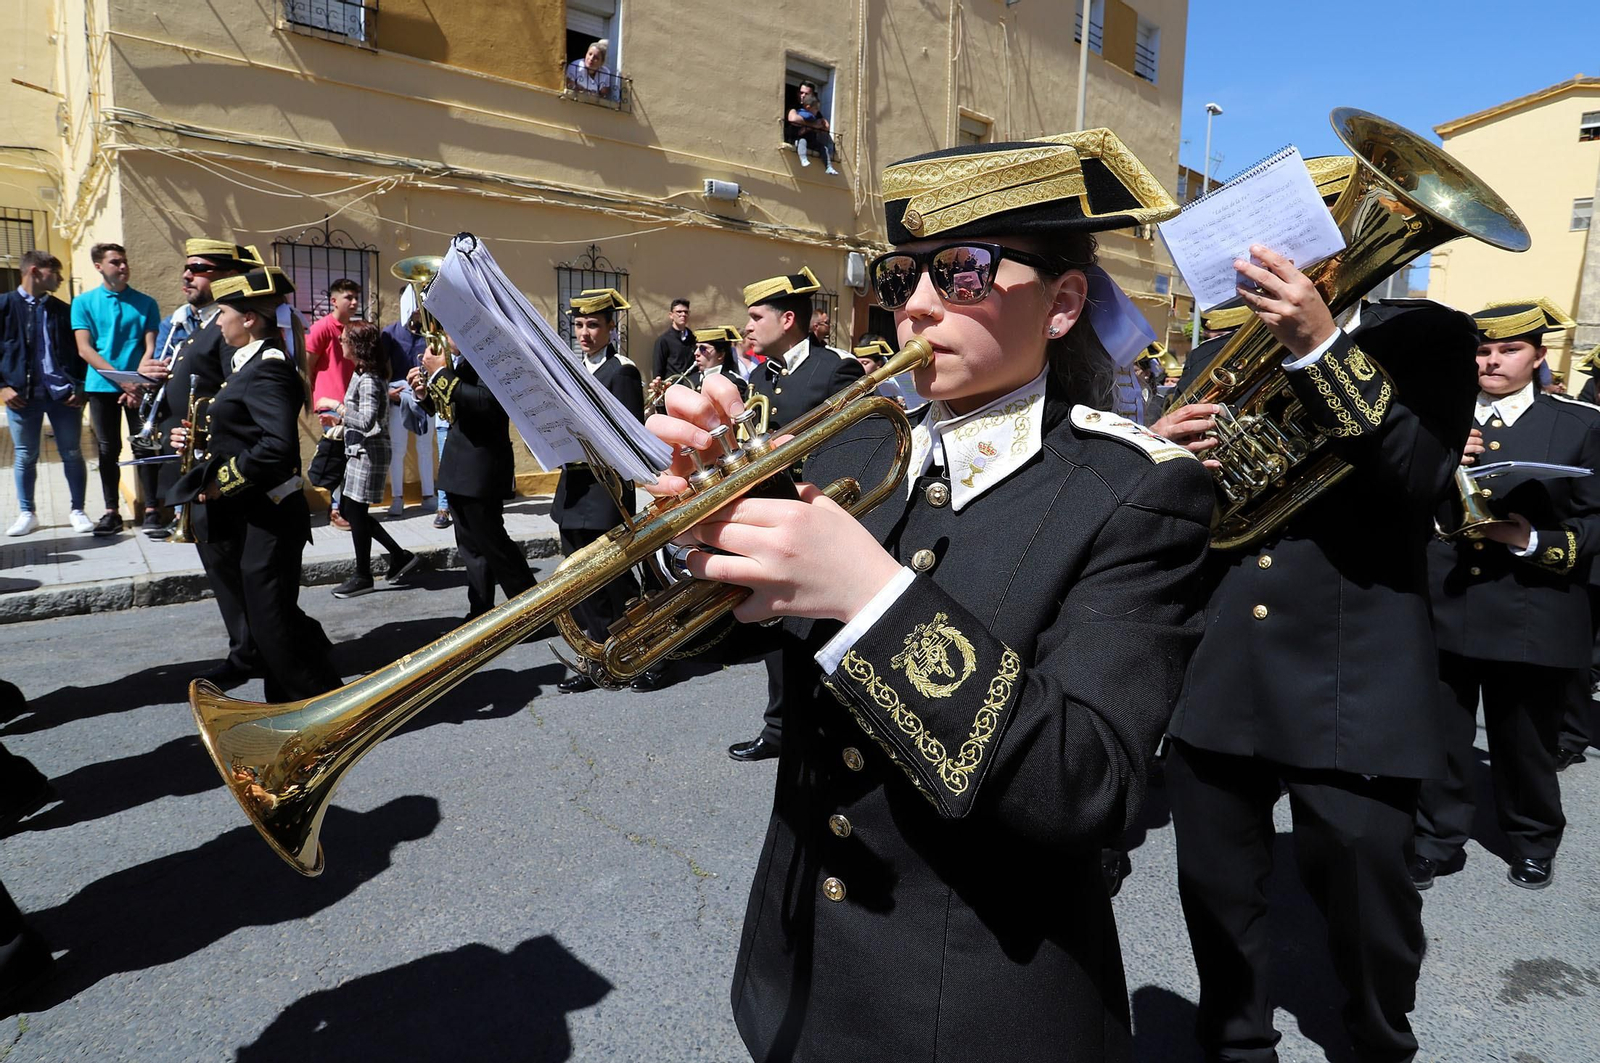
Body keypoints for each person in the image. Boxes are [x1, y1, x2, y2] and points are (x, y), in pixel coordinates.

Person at [647, 132, 1208, 1060]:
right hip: (798, 972)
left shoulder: (1136, 489)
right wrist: (686, 535)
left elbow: (1091, 787)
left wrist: (872, 599)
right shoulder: (858, 442)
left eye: (962, 272)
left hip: (980, 1008)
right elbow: (688, 641)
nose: (912, 305)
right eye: (901, 274)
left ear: (1063, 303)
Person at [1152, 181, 1481, 1060]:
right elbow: (1184, 515)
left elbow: (1418, 479)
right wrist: (1163, 456)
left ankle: (1379, 1038)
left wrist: (1321, 347)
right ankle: (1237, 1043)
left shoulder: (1430, 337)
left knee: (1369, 889)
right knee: (1217, 891)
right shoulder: (1215, 351)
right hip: (1225, 661)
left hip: (1354, 661)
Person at [1413, 298, 1599, 893]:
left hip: (1531, 607)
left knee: (1525, 742)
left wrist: (1533, 540)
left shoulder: (1579, 424)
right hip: (1446, 601)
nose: (1492, 361)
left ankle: (1533, 838)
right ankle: (1435, 839)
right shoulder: (1437, 416)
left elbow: (1595, 519)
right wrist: (1440, 463)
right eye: (1483, 350)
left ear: (1538, 356)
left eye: (1509, 350)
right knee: (1442, 737)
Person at [170, 267, 341, 702]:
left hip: (272, 514)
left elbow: (276, 448)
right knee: (273, 621)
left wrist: (220, 484)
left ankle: (324, 709)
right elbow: (245, 431)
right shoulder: (245, 363)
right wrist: (198, 438)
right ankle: (296, 705)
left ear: (248, 318)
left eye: (223, 313)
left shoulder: (269, 368)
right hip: (255, 513)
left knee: (272, 625)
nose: (217, 322)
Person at [732, 266, 864, 762]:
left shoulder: (835, 369)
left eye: (755, 317)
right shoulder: (759, 376)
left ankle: (827, 729)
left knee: (821, 629)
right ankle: (779, 728)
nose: (747, 327)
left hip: (818, 515)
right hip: (769, 515)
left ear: (788, 319)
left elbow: (859, 443)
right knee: (776, 626)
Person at [135, 239, 265, 684]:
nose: (187, 275)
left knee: (228, 566)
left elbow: (239, 397)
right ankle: (265, 643)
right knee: (222, 566)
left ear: (228, 276)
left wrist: (200, 433)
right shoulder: (196, 327)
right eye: (186, 267)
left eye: (199, 268)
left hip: (217, 468)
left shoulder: (227, 328)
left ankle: (250, 652)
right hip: (194, 464)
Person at [551, 288, 649, 694]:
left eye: (593, 324)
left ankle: (639, 655)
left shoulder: (620, 371)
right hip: (573, 490)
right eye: (579, 325)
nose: (584, 333)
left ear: (611, 327)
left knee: (615, 582)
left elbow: (628, 435)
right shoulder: (571, 369)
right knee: (580, 584)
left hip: (605, 492)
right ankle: (597, 659)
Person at [412, 335, 536, 620]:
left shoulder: (492, 358)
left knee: (495, 546)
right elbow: (452, 408)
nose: (445, 337)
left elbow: (486, 404)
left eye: (450, 330)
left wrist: (440, 374)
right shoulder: (463, 362)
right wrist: (424, 392)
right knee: (471, 549)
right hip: (459, 466)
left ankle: (534, 613)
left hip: (482, 468)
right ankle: (480, 613)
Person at [71, 242, 162, 535]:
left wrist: (137, 383)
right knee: (108, 448)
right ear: (99, 266)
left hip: (140, 387)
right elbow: (85, 349)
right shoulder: (83, 303)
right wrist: (123, 381)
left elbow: (151, 348)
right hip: (102, 387)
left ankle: (152, 509)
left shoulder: (146, 303)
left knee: (145, 445)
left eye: (124, 261)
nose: (123, 267)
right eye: (115, 262)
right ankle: (111, 511)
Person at [326, 321, 421, 598]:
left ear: (357, 346)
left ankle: (363, 575)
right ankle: (398, 556)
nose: (341, 343)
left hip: (368, 453)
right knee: (349, 510)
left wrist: (337, 408)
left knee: (355, 513)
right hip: (359, 451)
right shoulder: (363, 373)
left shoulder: (368, 379)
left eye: (344, 339)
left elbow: (368, 421)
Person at [1, 249, 91, 537]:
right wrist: (2, 387)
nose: (60, 279)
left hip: (62, 396)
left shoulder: (64, 310)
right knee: (25, 455)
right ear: (35, 271)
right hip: (21, 397)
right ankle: (27, 513)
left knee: (72, 452)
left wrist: (81, 387)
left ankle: (78, 510)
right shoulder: (4, 305)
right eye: (55, 272)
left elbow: (82, 352)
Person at [307, 277, 364, 530]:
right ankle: (335, 510)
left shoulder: (353, 330)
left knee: (349, 458)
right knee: (337, 457)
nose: (354, 302)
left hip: (351, 404)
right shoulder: (321, 328)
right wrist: (315, 399)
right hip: (330, 404)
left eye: (356, 298)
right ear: (333, 300)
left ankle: (344, 507)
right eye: (348, 297)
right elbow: (307, 365)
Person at [377, 287, 435, 515]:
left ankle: (428, 495)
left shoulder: (430, 334)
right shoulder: (390, 333)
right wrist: (386, 392)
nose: (417, 309)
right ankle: (397, 497)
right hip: (398, 396)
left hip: (425, 396)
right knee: (398, 448)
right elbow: (380, 366)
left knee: (425, 448)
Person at [786, 80, 839, 174]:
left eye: (806, 94)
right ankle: (803, 159)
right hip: (797, 140)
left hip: (812, 142)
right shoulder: (794, 106)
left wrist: (817, 123)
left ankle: (829, 167)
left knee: (823, 148)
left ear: (812, 95)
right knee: (802, 141)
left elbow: (825, 126)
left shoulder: (814, 111)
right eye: (801, 92)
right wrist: (813, 125)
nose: (803, 95)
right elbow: (793, 118)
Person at [685, 325, 749, 400]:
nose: (696, 353)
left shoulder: (734, 382)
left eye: (703, 349)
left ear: (721, 355)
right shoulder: (689, 381)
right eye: (695, 348)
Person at [650, 297, 695, 395]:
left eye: (686, 312)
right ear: (671, 315)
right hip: (672, 390)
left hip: (691, 389)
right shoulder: (663, 340)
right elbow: (658, 369)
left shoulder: (693, 338)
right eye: (679, 312)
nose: (683, 314)